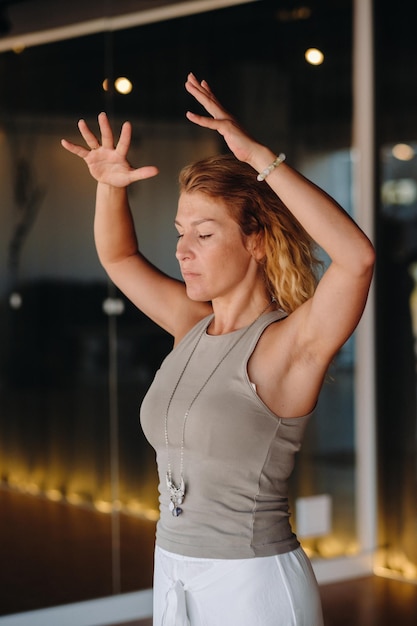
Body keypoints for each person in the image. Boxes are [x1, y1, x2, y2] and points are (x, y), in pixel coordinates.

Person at [61, 72, 375, 625]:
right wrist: (110, 186)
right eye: (180, 232)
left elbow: (356, 259)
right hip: (172, 571)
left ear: (255, 241)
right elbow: (119, 259)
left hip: (253, 584)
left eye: (204, 235)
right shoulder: (189, 323)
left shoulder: (288, 345)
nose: (183, 250)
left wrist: (258, 158)